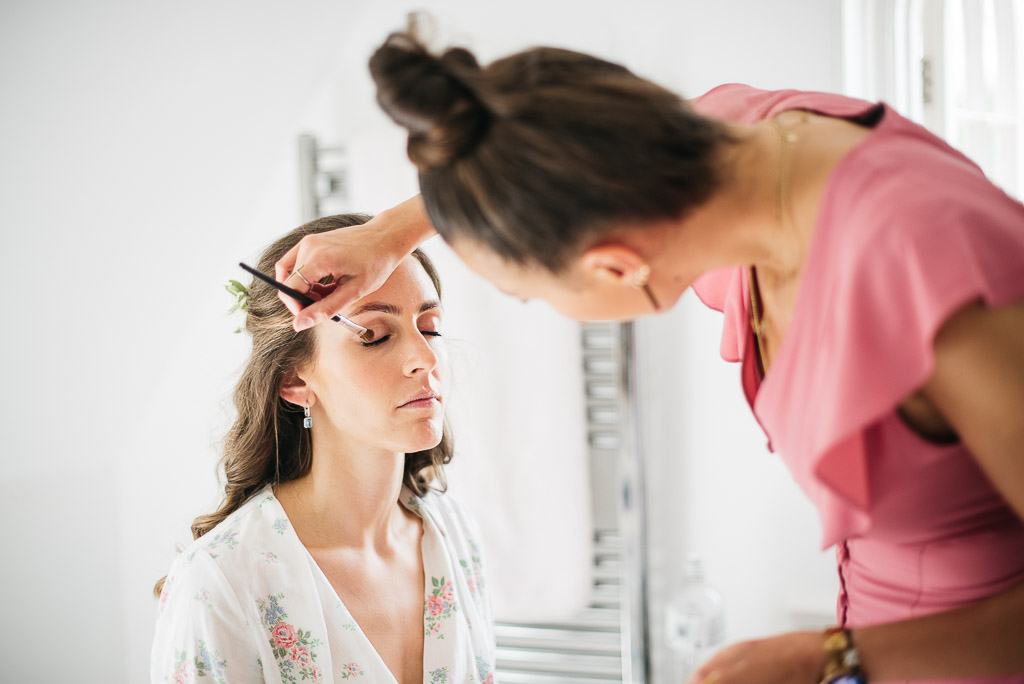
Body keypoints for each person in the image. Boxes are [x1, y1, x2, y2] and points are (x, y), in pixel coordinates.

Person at [271, 26, 1024, 684]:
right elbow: (543, 148)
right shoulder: (723, 146)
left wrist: (829, 658)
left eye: (535, 298)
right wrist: (389, 236)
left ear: (615, 267)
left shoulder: (929, 272)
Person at [151, 214, 497, 684]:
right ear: (295, 382)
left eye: (430, 326)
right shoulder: (221, 582)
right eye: (374, 335)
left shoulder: (455, 534)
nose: (427, 357)